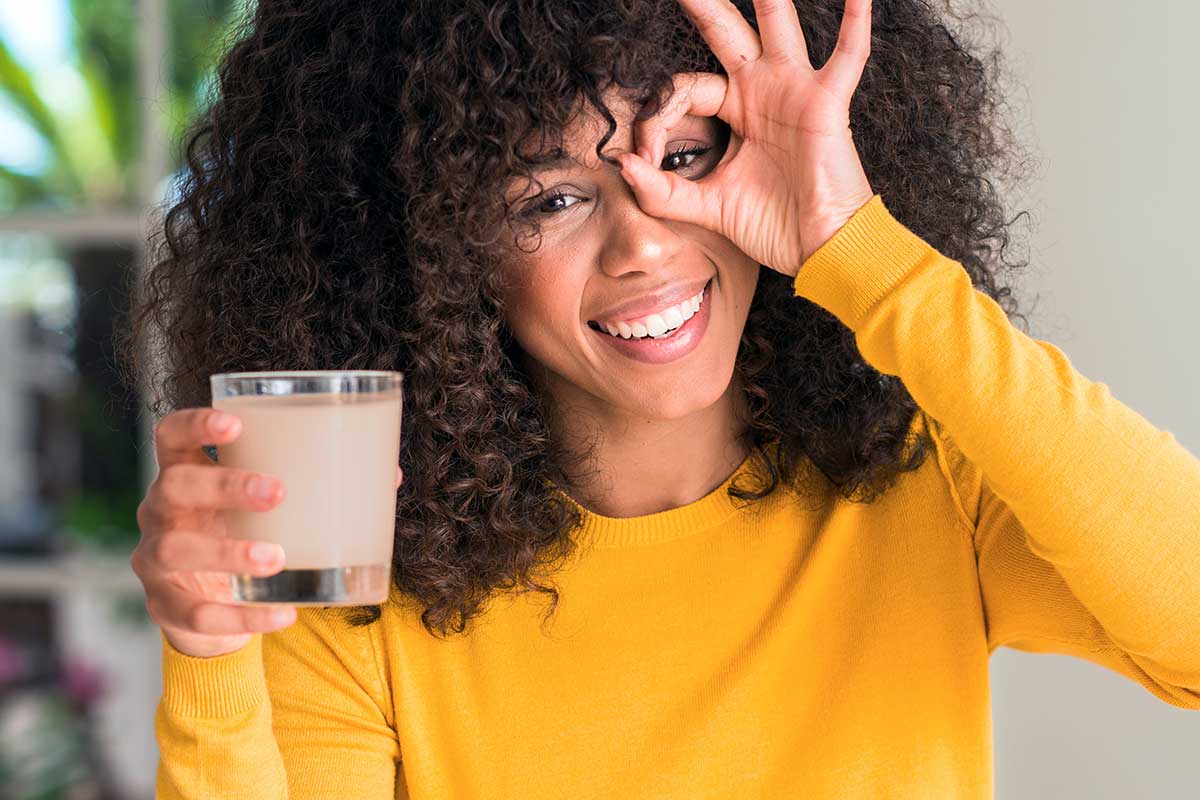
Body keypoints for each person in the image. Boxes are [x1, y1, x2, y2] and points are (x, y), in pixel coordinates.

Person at [116, 0, 1200, 797]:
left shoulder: (933, 479)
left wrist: (855, 245)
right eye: (550, 198)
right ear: (435, 251)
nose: (644, 243)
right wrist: (211, 660)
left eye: (685, 155)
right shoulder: (355, 574)